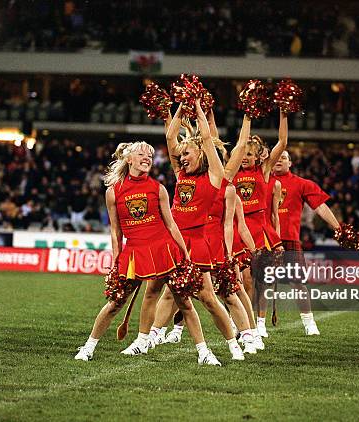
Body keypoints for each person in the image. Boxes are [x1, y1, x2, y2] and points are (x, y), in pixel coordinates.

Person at [75, 141, 222, 366]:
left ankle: (204, 352)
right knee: (115, 303)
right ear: (129, 159)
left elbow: (172, 226)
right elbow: (116, 231)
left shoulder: (158, 188)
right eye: (141, 154)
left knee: (184, 303)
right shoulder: (113, 192)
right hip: (134, 252)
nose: (146, 158)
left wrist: (185, 256)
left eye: (150, 156)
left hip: (164, 249)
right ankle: (88, 347)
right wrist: (116, 259)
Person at [149, 98, 245, 361]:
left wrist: (200, 108)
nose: (181, 158)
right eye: (181, 156)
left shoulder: (214, 177)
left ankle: (232, 344)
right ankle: (151, 336)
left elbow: (204, 134)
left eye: (187, 153)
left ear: (201, 153)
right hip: (177, 242)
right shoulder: (182, 175)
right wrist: (181, 106)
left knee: (209, 299)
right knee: (168, 293)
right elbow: (170, 138)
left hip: (198, 244)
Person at [272, 150, 343, 335]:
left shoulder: (301, 184)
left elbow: (320, 206)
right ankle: (252, 326)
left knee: (297, 283)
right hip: (263, 239)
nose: (279, 160)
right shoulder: (260, 181)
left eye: (284, 157)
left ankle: (309, 323)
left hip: (289, 239)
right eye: (276, 157)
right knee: (253, 282)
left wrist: (338, 228)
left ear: (291, 163)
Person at [233, 109, 288, 338]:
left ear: (257, 157)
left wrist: (284, 113)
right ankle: (243, 322)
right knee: (244, 280)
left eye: (249, 154)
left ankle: (261, 322)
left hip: (260, 229)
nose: (244, 157)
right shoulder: (232, 171)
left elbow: (282, 142)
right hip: (238, 230)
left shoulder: (264, 171)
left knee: (263, 280)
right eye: (242, 154)